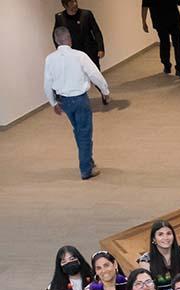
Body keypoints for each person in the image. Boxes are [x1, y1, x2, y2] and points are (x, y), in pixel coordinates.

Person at [45, 27, 109, 180]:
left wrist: (53, 103)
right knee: (84, 134)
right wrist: (105, 91)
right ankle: (86, 170)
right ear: (70, 39)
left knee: (78, 131)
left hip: (64, 101)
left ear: (56, 40)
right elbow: (95, 75)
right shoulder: (80, 56)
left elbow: (47, 83)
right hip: (80, 100)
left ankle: (88, 160)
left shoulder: (50, 59)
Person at [54, 1, 105, 102]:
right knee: (76, 76)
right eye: (72, 7)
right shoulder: (60, 17)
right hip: (72, 53)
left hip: (89, 50)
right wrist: (60, 50)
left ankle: (104, 92)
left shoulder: (86, 14)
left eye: (76, 5)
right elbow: (56, 34)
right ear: (65, 6)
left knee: (95, 73)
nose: (75, 8)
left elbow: (96, 31)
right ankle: (80, 98)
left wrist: (100, 48)